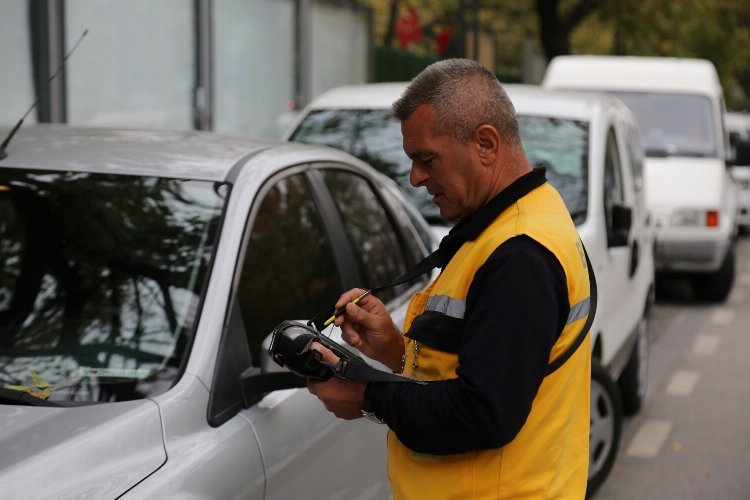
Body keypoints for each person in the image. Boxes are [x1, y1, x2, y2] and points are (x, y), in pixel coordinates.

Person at [307, 58, 592, 499]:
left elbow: (482, 412)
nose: (415, 177)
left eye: (426, 159)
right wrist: (395, 350)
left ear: (485, 143)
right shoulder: (525, 218)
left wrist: (366, 396)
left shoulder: (519, 256)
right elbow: (484, 368)